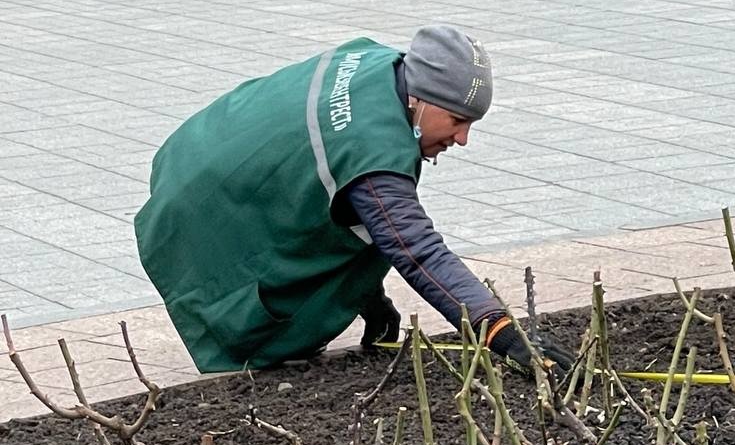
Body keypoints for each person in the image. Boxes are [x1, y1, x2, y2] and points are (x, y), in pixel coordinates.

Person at [133, 24, 574, 375]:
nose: (462, 139)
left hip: (195, 153)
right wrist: (502, 333)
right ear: (420, 99)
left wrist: (366, 295)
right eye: (458, 120)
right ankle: (244, 328)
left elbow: (344, 201)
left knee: (363, 218)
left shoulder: (376, 64)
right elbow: (416, 251)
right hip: (204, 214)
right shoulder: (371, 149)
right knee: (258, 333)